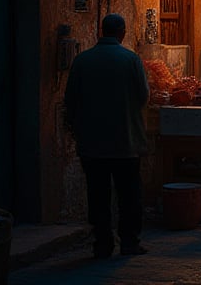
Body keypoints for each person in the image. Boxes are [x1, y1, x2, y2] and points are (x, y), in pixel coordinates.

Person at [64, 13, 150, 258]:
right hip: (126, 141)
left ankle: (102, 243)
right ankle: (129, 242)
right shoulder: (131, 60)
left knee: (98, 195)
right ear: (122, 32)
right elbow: (143, 96)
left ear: (101, 31)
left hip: (92, 143)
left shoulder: (82, 61)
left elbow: (70, 99)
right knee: (129, 195)